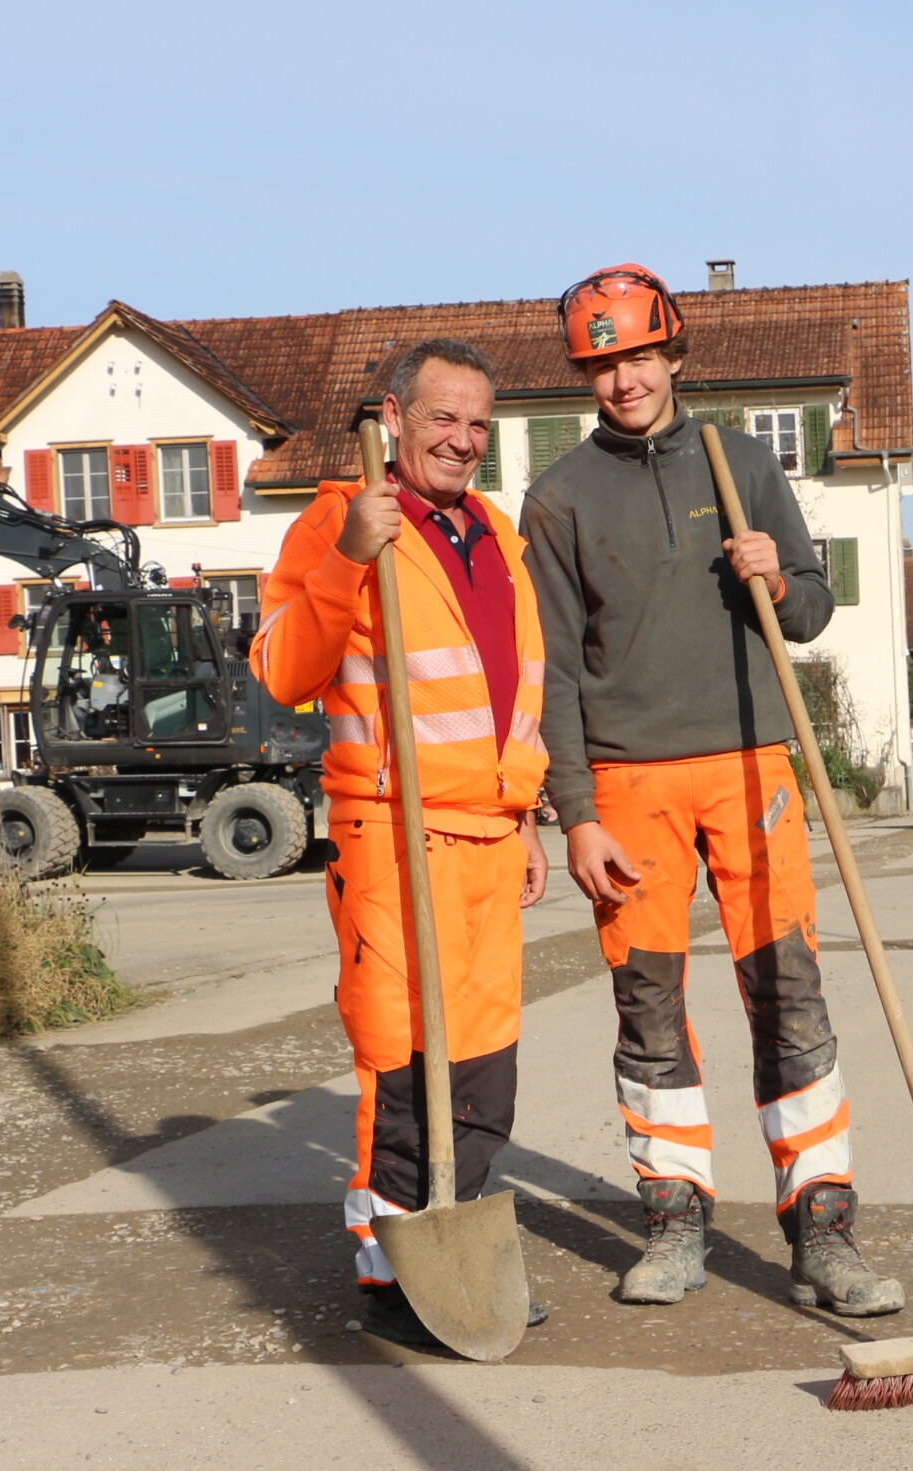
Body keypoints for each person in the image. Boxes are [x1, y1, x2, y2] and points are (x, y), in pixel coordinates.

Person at [520, 264, 903, 1317]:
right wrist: (576, 812)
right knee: (648, 1005)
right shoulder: (556, 499)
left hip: (751, 765)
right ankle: (673, 1220)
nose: (622, 380)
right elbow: (548, 670)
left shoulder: (743, 464)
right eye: (600, 364)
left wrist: (776, 576)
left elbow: (815, 610)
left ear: (674, 356)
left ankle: (822, 1229)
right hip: (626, 780)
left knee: (789, 995)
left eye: (638, 356)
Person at [253, 337, 552, 1348]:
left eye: (477, 424)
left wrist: (526, 806)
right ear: (393, 417)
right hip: (391, 835)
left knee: (483, 1068)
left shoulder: (496, 535)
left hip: (488, 836)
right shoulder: (338, 523)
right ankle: (389, 1273)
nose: (462, 441)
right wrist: (346, 566)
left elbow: (510, 692)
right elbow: (282, 672)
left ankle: (452, 1257)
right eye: (441, 419)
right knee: (402, 1061)